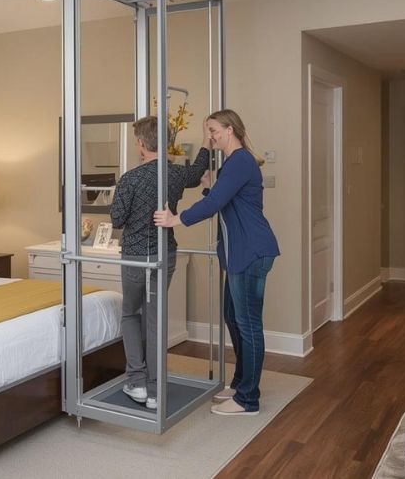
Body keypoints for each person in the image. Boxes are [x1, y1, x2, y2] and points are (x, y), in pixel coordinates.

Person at [154, 109, 279, 417]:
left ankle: (248, 399)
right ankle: (240, 384)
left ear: (229, 130)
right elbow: (227, 200)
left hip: (251, 251)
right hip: (240, 253)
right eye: (207, 131)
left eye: (212, 130)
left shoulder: (240, 161)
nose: (209, 136)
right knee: (233, 317)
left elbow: (214, 205)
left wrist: (175, 219)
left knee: (248, 324)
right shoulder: (233, 164)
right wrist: (212, 184)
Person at [110, 116, 210, 410]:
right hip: (165, 254)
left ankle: (137, 382)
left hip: (135, 256)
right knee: (154, 318)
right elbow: (198, 170)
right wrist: (206, 138)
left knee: (130, 314)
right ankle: (155, 390)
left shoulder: (130, 178)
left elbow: (117, 219)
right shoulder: (175, 175)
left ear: (141, 144)